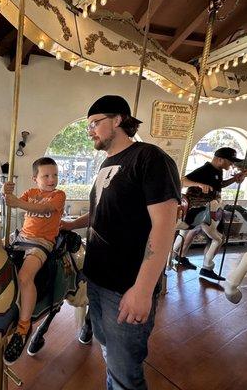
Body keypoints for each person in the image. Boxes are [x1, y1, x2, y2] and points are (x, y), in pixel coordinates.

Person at [61, 95, 180, 390]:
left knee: (126, 370)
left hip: (126, 284)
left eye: (94, 123)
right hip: (99, 278)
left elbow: (164, 225)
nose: (90, 130)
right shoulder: (107, 164)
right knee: (109, 352)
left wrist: (142, 289)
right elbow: (101, 211)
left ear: (117, 120)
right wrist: (69, 224)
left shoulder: (148, 158)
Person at [2, 157, 66, 365]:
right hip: (21, 237)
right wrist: (7, 192)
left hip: (42, 242)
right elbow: (12, 203)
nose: (51, 179)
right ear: (35, 178)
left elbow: (44, 210)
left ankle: (23, 327)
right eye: (46, 176)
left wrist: (17, 202)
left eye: (54, 175)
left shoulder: (58, 195)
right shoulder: (30, 193)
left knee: (24, 277)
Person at [174, 147, 247, 280]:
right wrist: (199, 185)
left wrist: (234, 179)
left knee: (186, 233)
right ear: (220, 159)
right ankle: (207, 267)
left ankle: (180, 256)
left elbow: (219, 185)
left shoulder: (218, 171)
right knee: (218, 238)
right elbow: (183, 181)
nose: (231, 165)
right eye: (230, 162)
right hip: (202, 207)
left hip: (210, 206)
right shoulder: (206, 169)